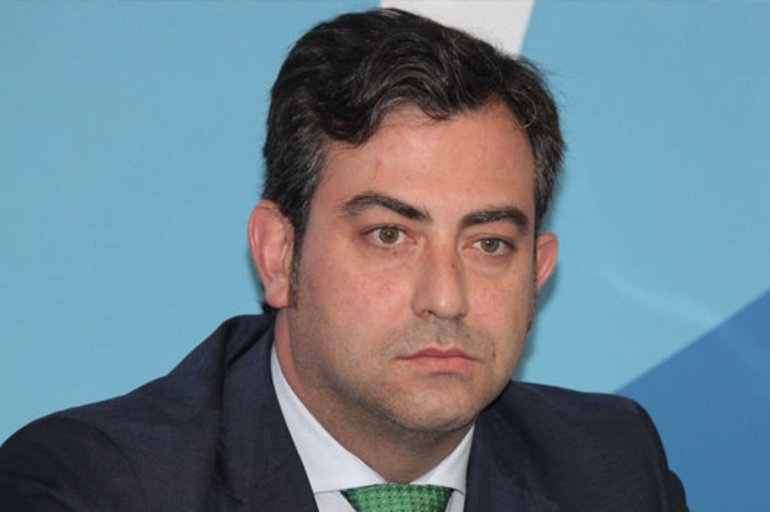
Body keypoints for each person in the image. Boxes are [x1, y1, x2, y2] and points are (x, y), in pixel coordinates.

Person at [0, 8, 687, 511]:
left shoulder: (611, 470)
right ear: (279, 254)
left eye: (488, 245)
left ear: (536, 275)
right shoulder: (99, 486)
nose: (445, 297)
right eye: (389, 235)